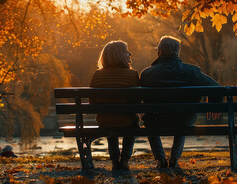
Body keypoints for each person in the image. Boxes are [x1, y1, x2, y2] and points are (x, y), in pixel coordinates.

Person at [140, 35, 220, 169]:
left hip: (155, 119)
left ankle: (160, 159)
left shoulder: (147, 73)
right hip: (184, 119)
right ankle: (174, 159)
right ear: (178, 52)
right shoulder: (192, 71)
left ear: (159, 52)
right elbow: (216, 88)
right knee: (183, 116)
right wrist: (213, 104)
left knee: (148, 120)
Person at [90, 40, 140, 171]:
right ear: (121, 55)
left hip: (105, 120)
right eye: (126, 51)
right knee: (133, 123)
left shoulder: (97, 75)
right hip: (127, 120)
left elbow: (92, 103)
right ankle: (125, 159)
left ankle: (114, 161)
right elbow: (137, 101)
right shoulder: (132, 74)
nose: (130, 54)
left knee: (109, 121)